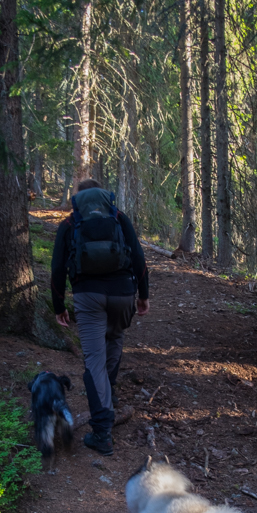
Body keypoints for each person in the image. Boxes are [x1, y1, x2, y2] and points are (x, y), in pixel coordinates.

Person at [51, 178, 149, 455]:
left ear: (79, 199)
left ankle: (103, 433)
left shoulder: (71, 223)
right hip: (123, 294)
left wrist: (58, 306)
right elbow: (139, 257)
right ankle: (110, 391)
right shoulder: (118, 217)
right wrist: (144, 295)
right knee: (115, 337)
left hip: (88, 296)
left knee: (94, 359)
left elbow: (57, 268)